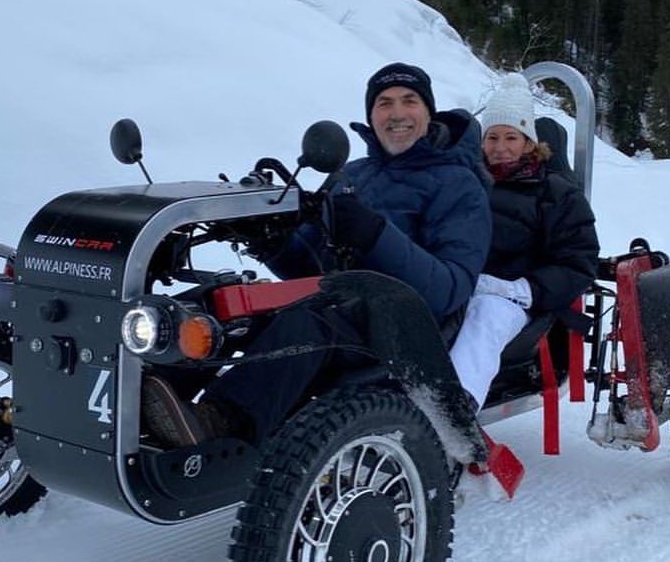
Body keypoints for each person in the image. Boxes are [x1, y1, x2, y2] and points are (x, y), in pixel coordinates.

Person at [143, 62, 493, 448]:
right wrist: (272, 241)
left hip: (407, 327)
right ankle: (148, 395)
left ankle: (223, 422)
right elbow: (311, 264)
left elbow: (449, 291)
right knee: (220, 302)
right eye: (384, 102)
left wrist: (376, 235)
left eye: (409, 101)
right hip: (340, 300)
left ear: (428, 111)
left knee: (308, 321)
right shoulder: (354, 174)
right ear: (370, 115)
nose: (396, 113)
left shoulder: (459, 185)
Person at [449, 72, 600, 412]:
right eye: (491, 138)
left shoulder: (556, 193)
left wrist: (522, 288)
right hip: (461, 283)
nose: (500, 148)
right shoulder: (466, 184)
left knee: (484, 317)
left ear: (529, 141)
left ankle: (455, 411)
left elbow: (579, 262)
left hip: (517, 300)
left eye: (510, 137)